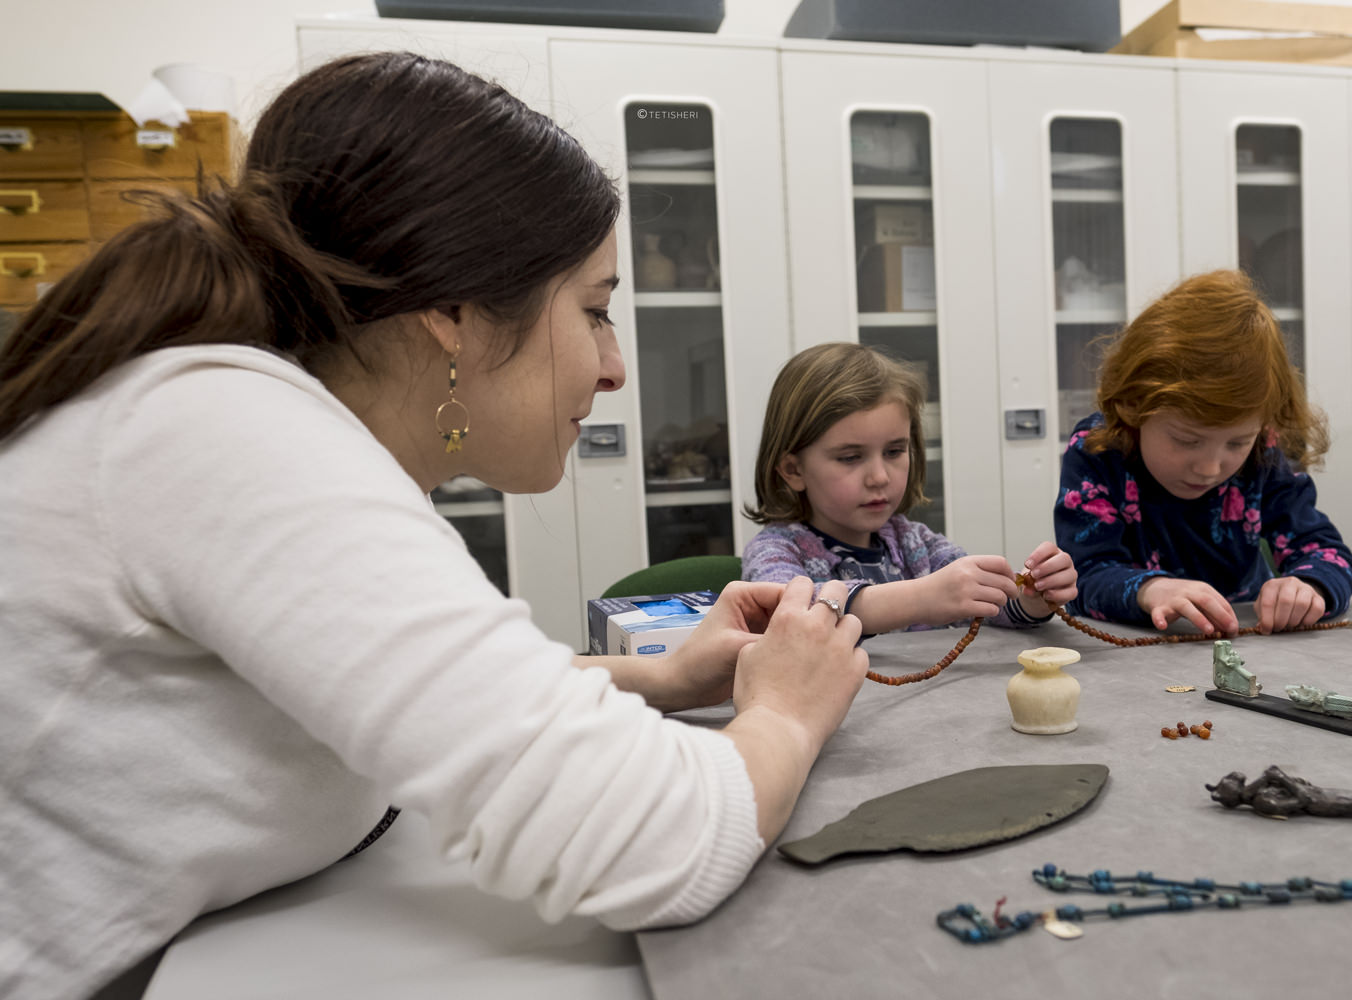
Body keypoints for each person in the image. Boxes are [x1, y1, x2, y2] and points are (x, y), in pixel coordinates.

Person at [0, 53, 870, 1000]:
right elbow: (656, 842)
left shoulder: (242, 421)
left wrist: (655, 679)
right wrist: (785, 712)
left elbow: (387, 689)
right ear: (452, 313)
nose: (615, 367)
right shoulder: (221, 434)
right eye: (593, 312)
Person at [1055, 269, 1352, 636]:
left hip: (1247, 647)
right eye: (1186, 440)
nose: (1210, 467)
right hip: (1129, 657)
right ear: (1134, 406)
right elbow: (1084, 577)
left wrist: (1310, 588)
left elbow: (1326, 551)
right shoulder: (1098, 448)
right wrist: (1151, 589)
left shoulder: (1263, 451)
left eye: (1236, 443)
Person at [741, 342, 1077, 633]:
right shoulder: (776, 550)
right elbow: (793, 618)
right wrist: (922, 598)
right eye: (850, 457)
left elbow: (992, 610)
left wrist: (1035, 597)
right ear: (792, 469)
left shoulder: (916, 544)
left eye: (894, 452)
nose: (879, 477)